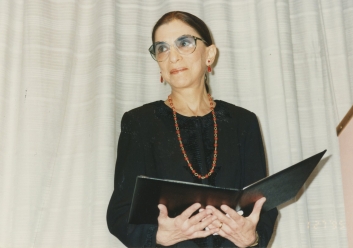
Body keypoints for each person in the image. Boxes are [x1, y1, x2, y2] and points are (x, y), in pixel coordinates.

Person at [107, 11, 278, 248]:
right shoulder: (140, 123)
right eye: (162, 48)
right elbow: (119, 213)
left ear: (209, 53)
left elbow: (262, 204)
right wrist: (157, 236)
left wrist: (253, 237)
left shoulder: (242, 122)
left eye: (184, 43)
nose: (172, 57)